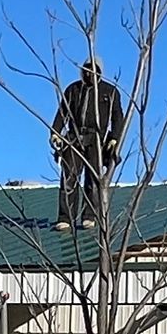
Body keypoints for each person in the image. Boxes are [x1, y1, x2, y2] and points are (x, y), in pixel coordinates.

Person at [50, 58, 126, 231]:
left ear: (99, 72)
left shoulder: (110, 92)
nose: (89, 73)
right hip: (74, 137)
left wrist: (114, 138)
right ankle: (66, 218)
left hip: (97, 139)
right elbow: (63, 113)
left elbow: (117, 117)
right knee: (69, 177)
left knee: (93, 179)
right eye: (86, 69)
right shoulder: (73, 90)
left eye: (94, 70)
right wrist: (56, 133)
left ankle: (89, 216)